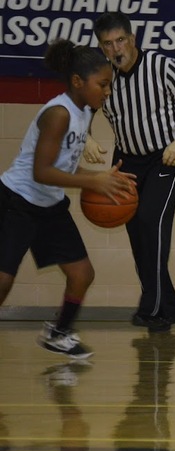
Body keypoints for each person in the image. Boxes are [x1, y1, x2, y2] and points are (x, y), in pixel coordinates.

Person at [0, 40, 137, 359]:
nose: (107, 92)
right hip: (17, 201)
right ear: (78, 81)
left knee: (82, 274)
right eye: (102, 85)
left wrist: (102, 176)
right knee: (3, 282)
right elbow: (41, 172)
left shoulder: (85, 112)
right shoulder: (58, 113)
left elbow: (64, 164)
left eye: (109, 85)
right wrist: (93, 180)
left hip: (49, 204)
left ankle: (59, 333)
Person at [87, 12, 175, 332]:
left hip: (166, 156)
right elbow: (82, 106)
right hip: (128, 159)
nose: (116, 48)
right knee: (137, 232)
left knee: (151, 220)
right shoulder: (101, 75)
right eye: (108, 44)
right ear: (102, 48)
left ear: (132, 39)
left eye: (120, 40)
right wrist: (84, 136)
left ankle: (151, 306)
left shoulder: (162, 67)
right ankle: (169, 306)